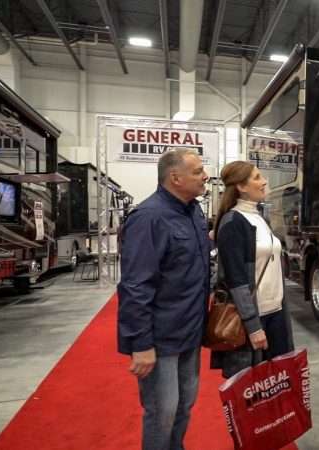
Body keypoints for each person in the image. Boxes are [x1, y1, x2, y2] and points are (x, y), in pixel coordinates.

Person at [117, 148, 210, 450]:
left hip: (190, 333)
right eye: (197, 171)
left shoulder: (194, 212)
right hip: (161, 337)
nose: (205, 176)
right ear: (175, 177)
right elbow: (135, 286)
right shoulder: (149, 218)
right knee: (162, 412)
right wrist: (141, 344)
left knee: (184, 405)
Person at [211, 160, 294, 378]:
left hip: (276, 313)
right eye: (257, 177)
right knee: (250, 390)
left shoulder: (260, 218)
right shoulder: (233, 223)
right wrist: (253, 326)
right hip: (254, 319)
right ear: (241, 186)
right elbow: (236, 281)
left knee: (277, 384)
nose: (265, 181)